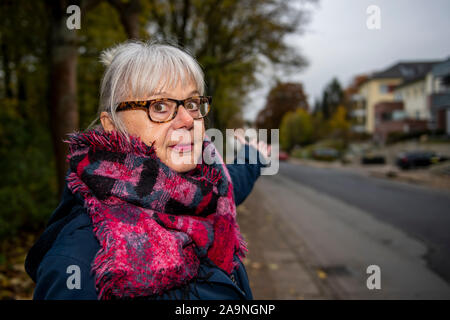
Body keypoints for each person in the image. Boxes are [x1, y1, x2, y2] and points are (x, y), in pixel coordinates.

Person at [25, 40, 270, 300]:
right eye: (160, 107)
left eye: (192, 104)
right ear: (112, 126)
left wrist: (253, 156)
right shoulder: (80, 264)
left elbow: (235, 182)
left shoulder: (209, 190)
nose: (188, 120)